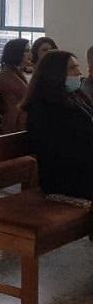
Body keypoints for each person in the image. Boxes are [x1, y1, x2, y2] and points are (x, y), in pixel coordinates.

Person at [22, 50, 93, 200]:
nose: (79, 72)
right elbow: (65, 149)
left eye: (77, 67)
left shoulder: (75, 97)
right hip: (64, 179)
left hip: (82, 169)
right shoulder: (44, 108)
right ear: (54, 74)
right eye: (72, 68)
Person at [0, 38, 31, 132]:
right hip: (16, 122)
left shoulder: (19, 72)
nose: (30, 54)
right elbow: (28, 95)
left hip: (23, 117)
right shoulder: (6, 75)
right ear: (16, 53)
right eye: (26, 51)